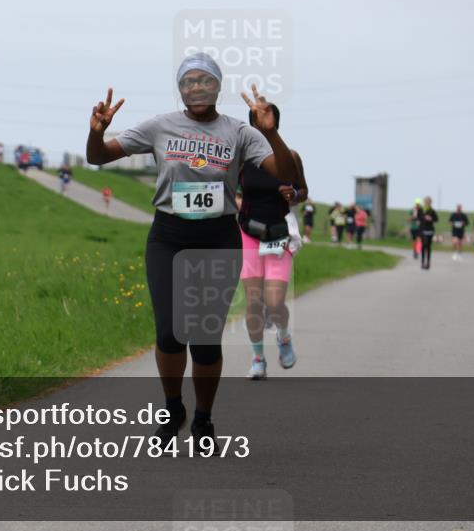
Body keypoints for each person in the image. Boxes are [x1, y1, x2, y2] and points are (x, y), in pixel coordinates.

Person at [85, 52, 297, 449]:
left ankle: (203, 419)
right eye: (189, 81)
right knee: (168, 333)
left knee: (204, 338)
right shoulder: (160, 126)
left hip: (218, 239)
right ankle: (172, 408)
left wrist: (270, 133)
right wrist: (97, 131)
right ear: (180, 89)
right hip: (168, 236)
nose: (197, 87)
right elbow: (97, 157)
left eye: (205, 80)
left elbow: (286, 175)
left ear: (218, 86)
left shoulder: (240, 132)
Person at [237, 103, 308, 380]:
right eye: (256, 120)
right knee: (254, 301)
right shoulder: (242, 159)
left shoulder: (290, 157)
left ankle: (284, 336)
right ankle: (258, 358)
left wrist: (294, 195)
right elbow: (228, 186)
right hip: (249, 233)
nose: (263, 126)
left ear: (276, 124)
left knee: (275, 301)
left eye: (267, 120)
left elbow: (304, 190)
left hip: (278, 233)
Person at [419, 196, 438, 270]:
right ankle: (423, 262)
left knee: (429, 246)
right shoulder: (421, 210)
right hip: (423, 229)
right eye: (426, 201)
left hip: (430, 230)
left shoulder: (432, 211)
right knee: (424, 245)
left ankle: (428, 263)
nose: (427, 203)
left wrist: (431, 218)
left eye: (429, 202)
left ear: (431, 202)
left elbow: (436, 219)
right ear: (424, 202)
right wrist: (424, 218)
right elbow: (419, 218)